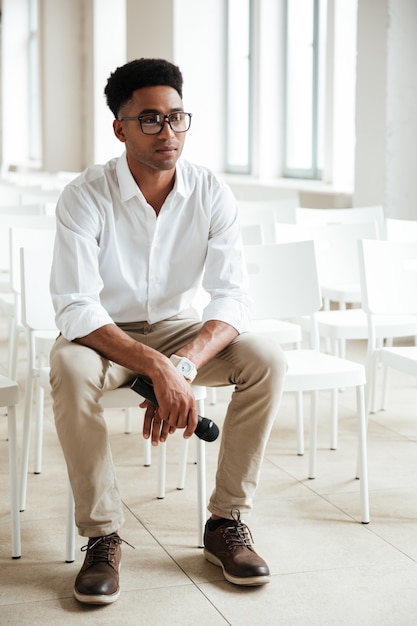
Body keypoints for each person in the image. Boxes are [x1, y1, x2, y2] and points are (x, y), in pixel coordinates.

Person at [49, 57, 286, 605]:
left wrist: (181, 366)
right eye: (151, 119)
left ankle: (226, 523)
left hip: (181, 330)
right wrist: (155, 367)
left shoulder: (210, 192)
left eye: (178, 117)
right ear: (120, 128)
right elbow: (76, 307)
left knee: (267, 359)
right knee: (65, 364)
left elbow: (233, 297)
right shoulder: (84, 195)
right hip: (104, 335)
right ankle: (102, 536)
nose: (169, 132)